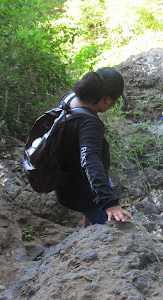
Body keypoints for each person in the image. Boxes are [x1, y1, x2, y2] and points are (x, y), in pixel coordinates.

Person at [55, 67, 132, 228]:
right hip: (83, 192)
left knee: (93, 207)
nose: (114, 104)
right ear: (106, 99)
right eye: (115, 100)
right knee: (117, 230)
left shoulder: (70, 99)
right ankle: (93, 232)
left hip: (69, 181)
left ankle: (87, 230)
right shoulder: (89, 123)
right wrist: (109, 202)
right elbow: (90, 159)